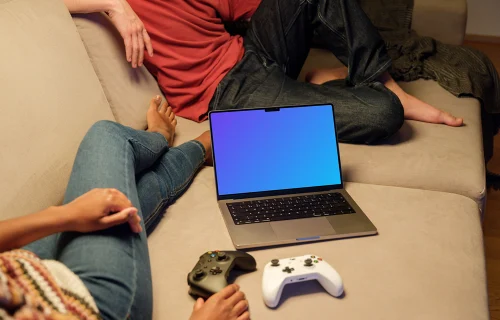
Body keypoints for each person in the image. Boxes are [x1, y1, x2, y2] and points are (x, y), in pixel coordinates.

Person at [0, 97, 250, 320]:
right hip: (89, 306)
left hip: (21, 270)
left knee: (116, 204)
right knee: (105, 134)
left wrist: (63, 215)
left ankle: (190, 149)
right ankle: (165, 138)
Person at [118, 0, 462, 144]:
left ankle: (381, 78)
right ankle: (350, 87)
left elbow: (254, 11)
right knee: (385, 113)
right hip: (227, 92)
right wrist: (114, 5)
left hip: (249, 53)